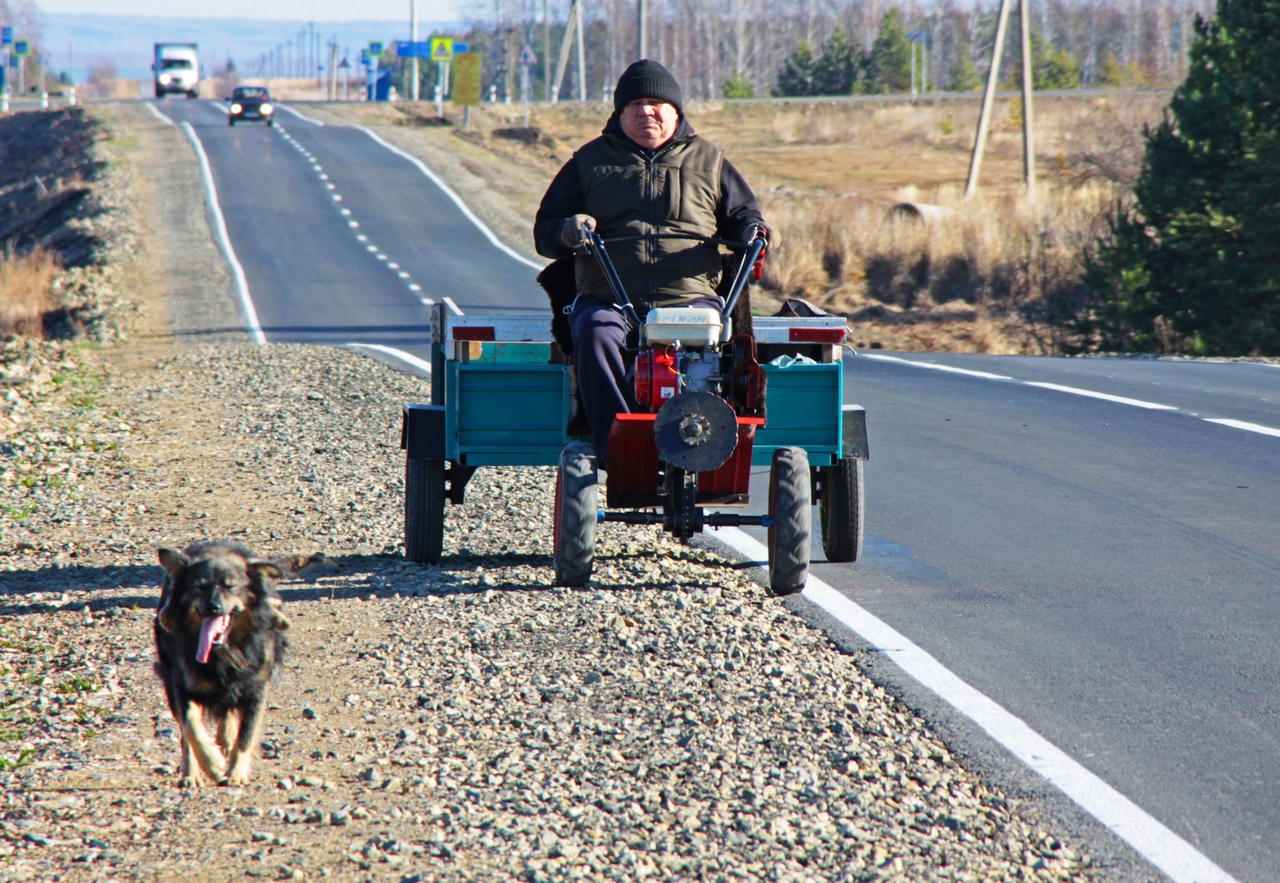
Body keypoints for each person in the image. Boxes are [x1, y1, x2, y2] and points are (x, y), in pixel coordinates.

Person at [534, 58, 769, 467]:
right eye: (636, 104)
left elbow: (747, 219)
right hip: (609, 298)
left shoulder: (709, 161)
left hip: (691, 297)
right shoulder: (587, 162)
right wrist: (570, 228)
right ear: (619, 113)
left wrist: (756, 233)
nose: (647, 111)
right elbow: (545, 233)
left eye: (656, 103)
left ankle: (704, 442)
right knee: (594, 332)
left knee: (710, 346)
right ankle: (619, 450)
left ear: (675, 112)